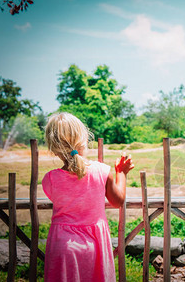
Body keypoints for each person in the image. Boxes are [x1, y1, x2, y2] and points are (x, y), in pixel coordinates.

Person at [42, 112, 134, 282]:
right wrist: (121, 173)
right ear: (84, 140)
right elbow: (117, 201)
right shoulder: (102, 172)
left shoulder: (50, 179)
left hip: (62, 248)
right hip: (95, 247)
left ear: (54, 149)